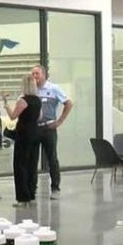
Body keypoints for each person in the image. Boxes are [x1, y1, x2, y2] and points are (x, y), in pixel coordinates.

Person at [30, 65, 73, 199]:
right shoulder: (31, 90)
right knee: (32, 159)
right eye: (32, 74)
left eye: (36, 74)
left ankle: (55, 187)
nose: (34, 76)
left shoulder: (54, 89)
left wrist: (59, 122)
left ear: (43, 74)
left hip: (48, 128)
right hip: (34, 128)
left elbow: (68, 103)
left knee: (52, 158)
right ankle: (32, 188)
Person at [3, 74, 41, 208]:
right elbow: (39, 116)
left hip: (24, 134)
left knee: (20, 165)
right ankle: (31, 193)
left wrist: (6, 104)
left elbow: (13, 116)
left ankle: (22, 197)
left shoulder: (23, 101)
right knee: (32, 164)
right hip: (35, 132)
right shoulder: (38, 100)